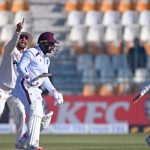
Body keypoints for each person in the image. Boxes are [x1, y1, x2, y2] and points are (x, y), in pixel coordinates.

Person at [12, 32, 64, 150]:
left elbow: (44, 78)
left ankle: (23, 140)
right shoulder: (31, 52)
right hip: (24, 85)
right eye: (51, 44)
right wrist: (26, 75)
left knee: (41, 117)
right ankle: (32, 145)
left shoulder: (46, 60)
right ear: (43, 43)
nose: (52, 47)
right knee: (35, 110)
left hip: (35, 90)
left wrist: (54, 92)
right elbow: (20, 66)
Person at [0, 19, 33, 144]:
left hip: (15, 91)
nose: (23, 39)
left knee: (21, 115)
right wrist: (18, 32)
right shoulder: (10, 50)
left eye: (26, 38)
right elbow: (13, 42)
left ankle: (20, 144)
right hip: (2, 89)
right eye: (22, 38)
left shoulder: (27, 57)